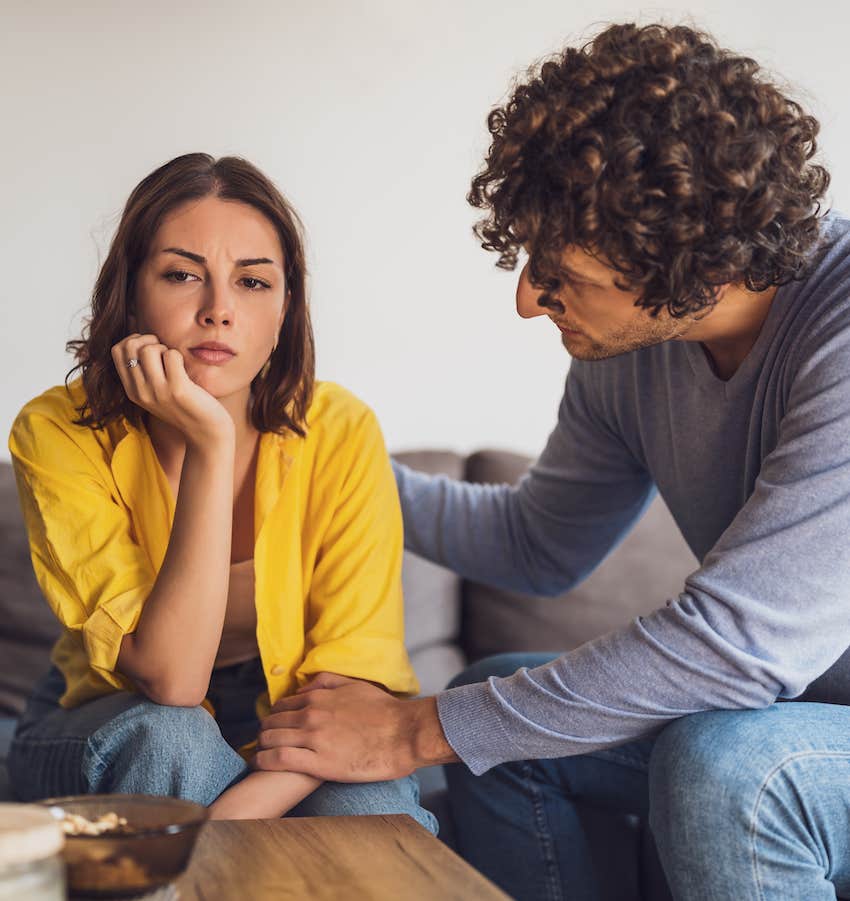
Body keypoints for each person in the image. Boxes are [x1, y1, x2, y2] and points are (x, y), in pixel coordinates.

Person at [248, 22, 850, 900]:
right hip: (803, 711)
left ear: (698, 264)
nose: (529, 299)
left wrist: (413, 731)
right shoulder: (636, 350)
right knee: (503, 720)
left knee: (733, 767)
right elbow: (541, 545)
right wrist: (323, 460)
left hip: (786, 732)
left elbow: (737, 647)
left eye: (558, 270)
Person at [7, 152, 437, 832]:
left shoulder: (342, 429)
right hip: (108, 717)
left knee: (369, 802)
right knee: (171, 738)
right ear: (131, 291)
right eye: (182, 275)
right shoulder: (55, 430)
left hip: (286, 710)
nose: (219, 312)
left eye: (253, 283)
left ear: (285, 308)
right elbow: (171, 680)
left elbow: (352, 693)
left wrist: (218, 825)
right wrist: (211, 443)